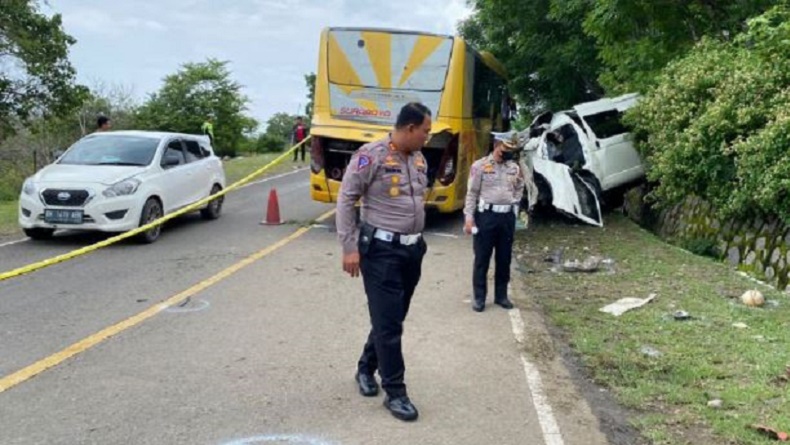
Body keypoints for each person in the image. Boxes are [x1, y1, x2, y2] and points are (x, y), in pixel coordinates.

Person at [336, 102, 432, 422]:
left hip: (411, 251)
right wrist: (349, 247)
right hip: (381, 252)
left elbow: (419, 198)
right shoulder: (371, 155)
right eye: (425, 131)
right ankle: (395, 392)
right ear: (409, 129)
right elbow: (347, 198)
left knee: (391, 318)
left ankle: (365, 368)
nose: (427, 137)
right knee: (390, 325)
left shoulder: (419, 158)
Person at [463, 131, 525, 312]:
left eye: (511, 149)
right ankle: (480, 298)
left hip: (507, 218)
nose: (508, 151)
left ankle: (501, 296)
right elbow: (472, 193)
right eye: (506, 148)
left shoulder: (514, 167)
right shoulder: (480, 166)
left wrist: (514, 200)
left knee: (504, 259)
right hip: (486, 217)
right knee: (482, 259)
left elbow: (520, 185)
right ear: (497, 145)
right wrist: (469, 218)